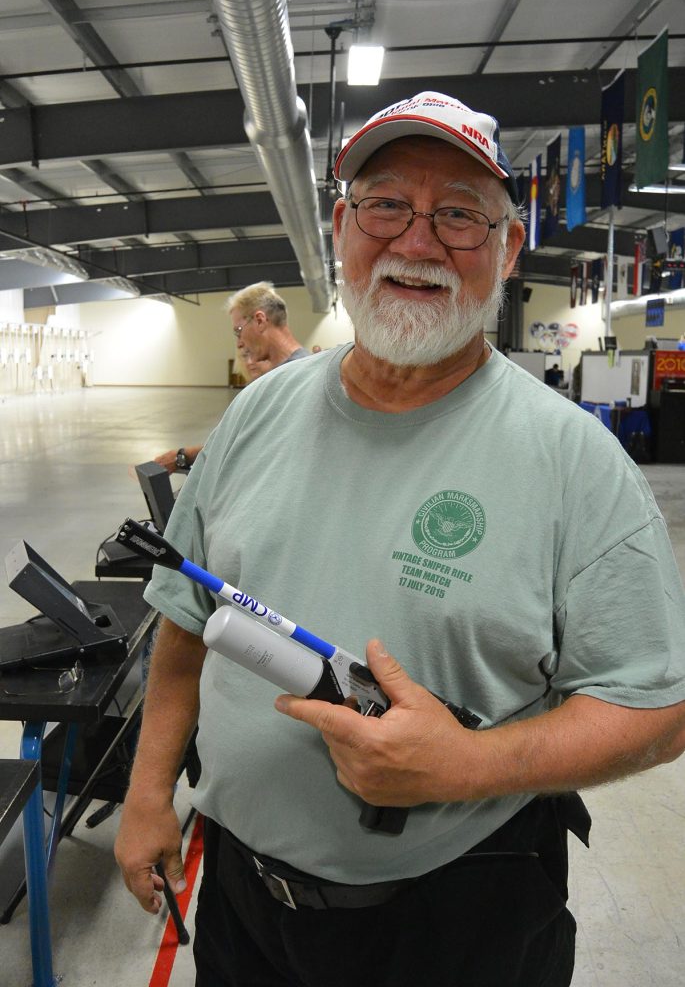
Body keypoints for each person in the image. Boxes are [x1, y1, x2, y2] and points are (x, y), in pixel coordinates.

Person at [115, 91, 685, 987]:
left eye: (458, 215)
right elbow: (187, 619)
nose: (417, 243)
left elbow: (654, 710)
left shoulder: (575, 460)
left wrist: (465, 767)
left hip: (459, 920)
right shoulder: (257, 414)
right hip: (243, 903)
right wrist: (149, 795)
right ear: (343, 227)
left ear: (504, 249)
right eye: (386, 205)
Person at [153, 282, 309, 474]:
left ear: (260, 320)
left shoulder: (294, 380)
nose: (240, 342)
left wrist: (183, 457)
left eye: (238, 331)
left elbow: (255, 450)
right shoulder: (285, 375)